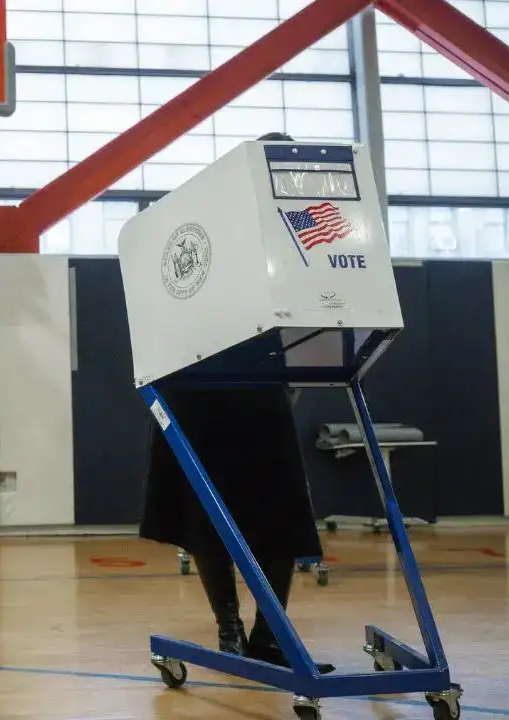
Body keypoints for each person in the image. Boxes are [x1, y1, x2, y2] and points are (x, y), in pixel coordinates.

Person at [137, 131, 335, 675]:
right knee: (206, 514)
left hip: (260, 379)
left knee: (280, 513)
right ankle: (229, 629)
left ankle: (270, 634)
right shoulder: (206, 220)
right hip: (197, 379)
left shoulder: (300, 227)